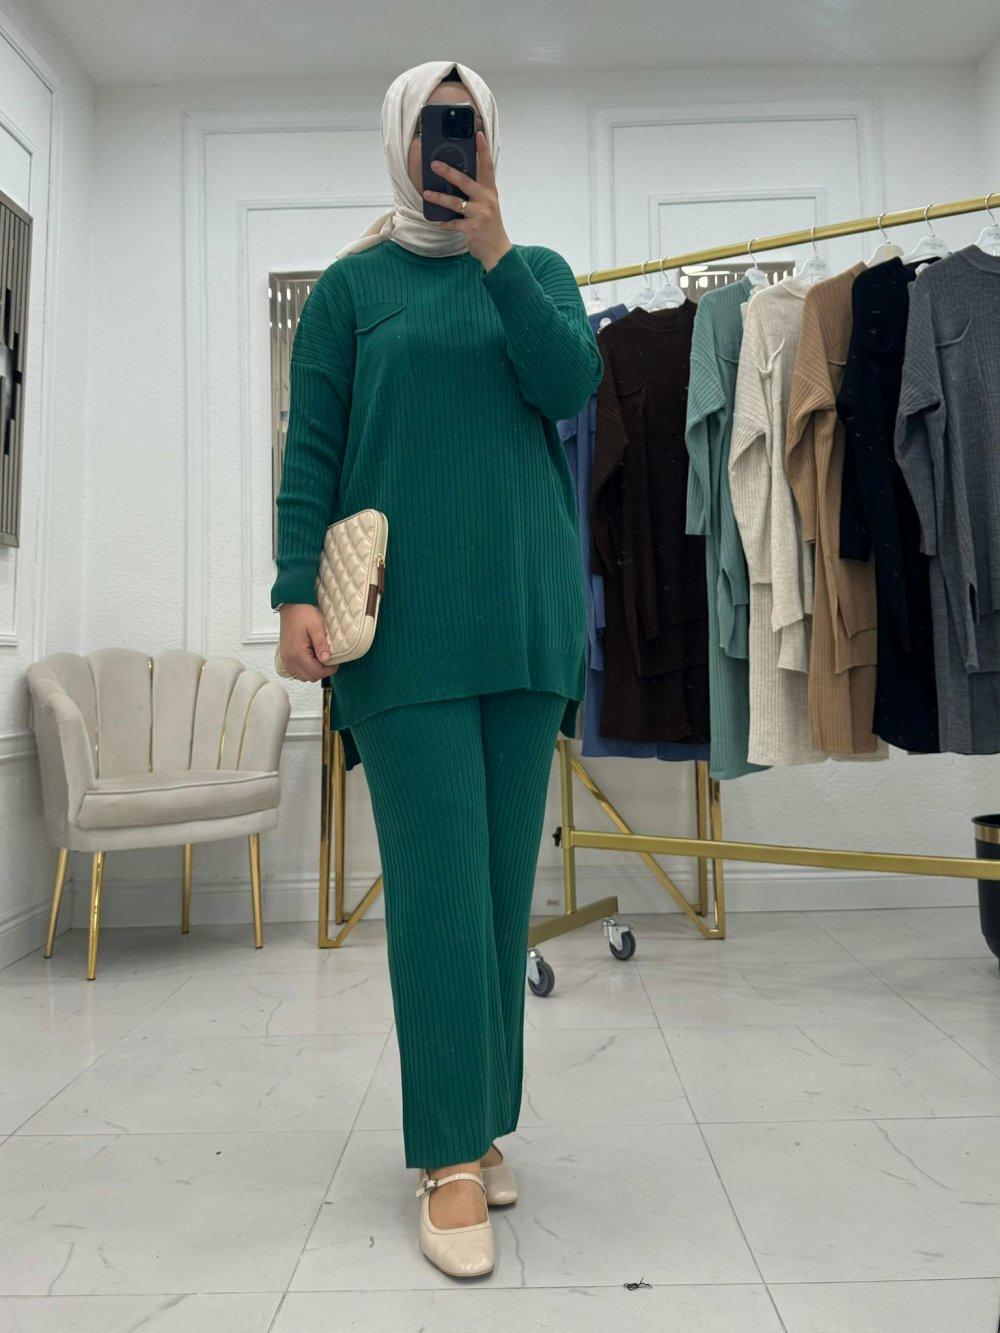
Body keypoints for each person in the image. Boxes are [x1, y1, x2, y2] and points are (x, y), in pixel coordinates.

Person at [270, 59, 602, 1279]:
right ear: (401, 141)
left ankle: (479, 1120)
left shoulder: (538, 270)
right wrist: (291, 592)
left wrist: (495, 248)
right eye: (432, 125)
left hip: (522, 617)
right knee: (436, 889)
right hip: (400, 629)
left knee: (499, 893)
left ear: (488, 142)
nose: (447, 146)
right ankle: (448, 1155)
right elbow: (311, 451)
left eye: (465, 126)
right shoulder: (350, 291)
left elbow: (569, 385)